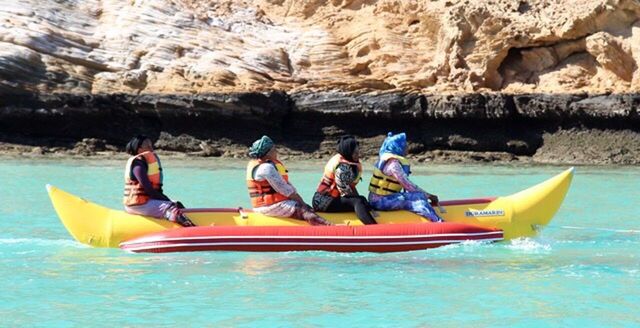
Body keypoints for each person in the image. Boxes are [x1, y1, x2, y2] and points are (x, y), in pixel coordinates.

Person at [246, 135, 331, 226]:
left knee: (304, 207)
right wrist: (303, 203)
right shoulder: (266, 168)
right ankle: (329, 227)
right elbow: (284, 189)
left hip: (272, 204)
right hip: (270, 207)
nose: (276, 152)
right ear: (268, 153)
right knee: (305, 211)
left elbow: (285, 185)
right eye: (274, 149)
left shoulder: (258, 164)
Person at [368, 132, 443, 222]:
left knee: (417, 196)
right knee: (419, 199)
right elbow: (407, 185)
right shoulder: (393, 164)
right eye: (405, 145)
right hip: (381, 202)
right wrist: (429, 196)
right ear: (398, 147)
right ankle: (438, 222)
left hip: (378, 199)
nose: (407, 148)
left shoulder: (386, 159)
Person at [123, 135, 195, 227]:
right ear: (139, 149)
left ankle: (194, 223)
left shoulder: (145, 162)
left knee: (178, 204)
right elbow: (148, 189)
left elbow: (154, 192)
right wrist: (167, 201)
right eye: (148, 146)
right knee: (171, 208)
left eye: (151, 146)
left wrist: (169, 201)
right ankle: (192, 228)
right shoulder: (138, 165)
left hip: (146, 201)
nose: (151, 149)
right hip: (137, 205)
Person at [312, 135, 377, 224]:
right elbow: (345, 191)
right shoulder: (342, 168)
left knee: (361, 199)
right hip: (323, 202)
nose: (358, 155)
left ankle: (373, 218)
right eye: (355, 153)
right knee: (357, 201)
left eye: (358, 152)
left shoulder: (348, 162)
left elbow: (350, 187)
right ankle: (372, 227)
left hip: (332, 199)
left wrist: (362, 200)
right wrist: (359, 201)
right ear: (348, 153)